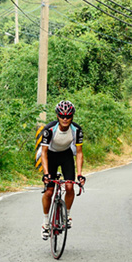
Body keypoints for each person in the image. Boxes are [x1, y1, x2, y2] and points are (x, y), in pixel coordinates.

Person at [39, 100, 86, 240]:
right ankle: (46, 223)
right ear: (57, 116)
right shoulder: (49, 129)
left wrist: (79, 174)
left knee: (70, 186)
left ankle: (67, 215)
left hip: (66, 155)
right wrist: (46, 173)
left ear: (72, 116)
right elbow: (44, 153)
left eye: (68, 116)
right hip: (50, 156)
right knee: (49, 191)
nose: (65, 119)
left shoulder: (77, 130)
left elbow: (79, 153)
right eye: (62, 116)